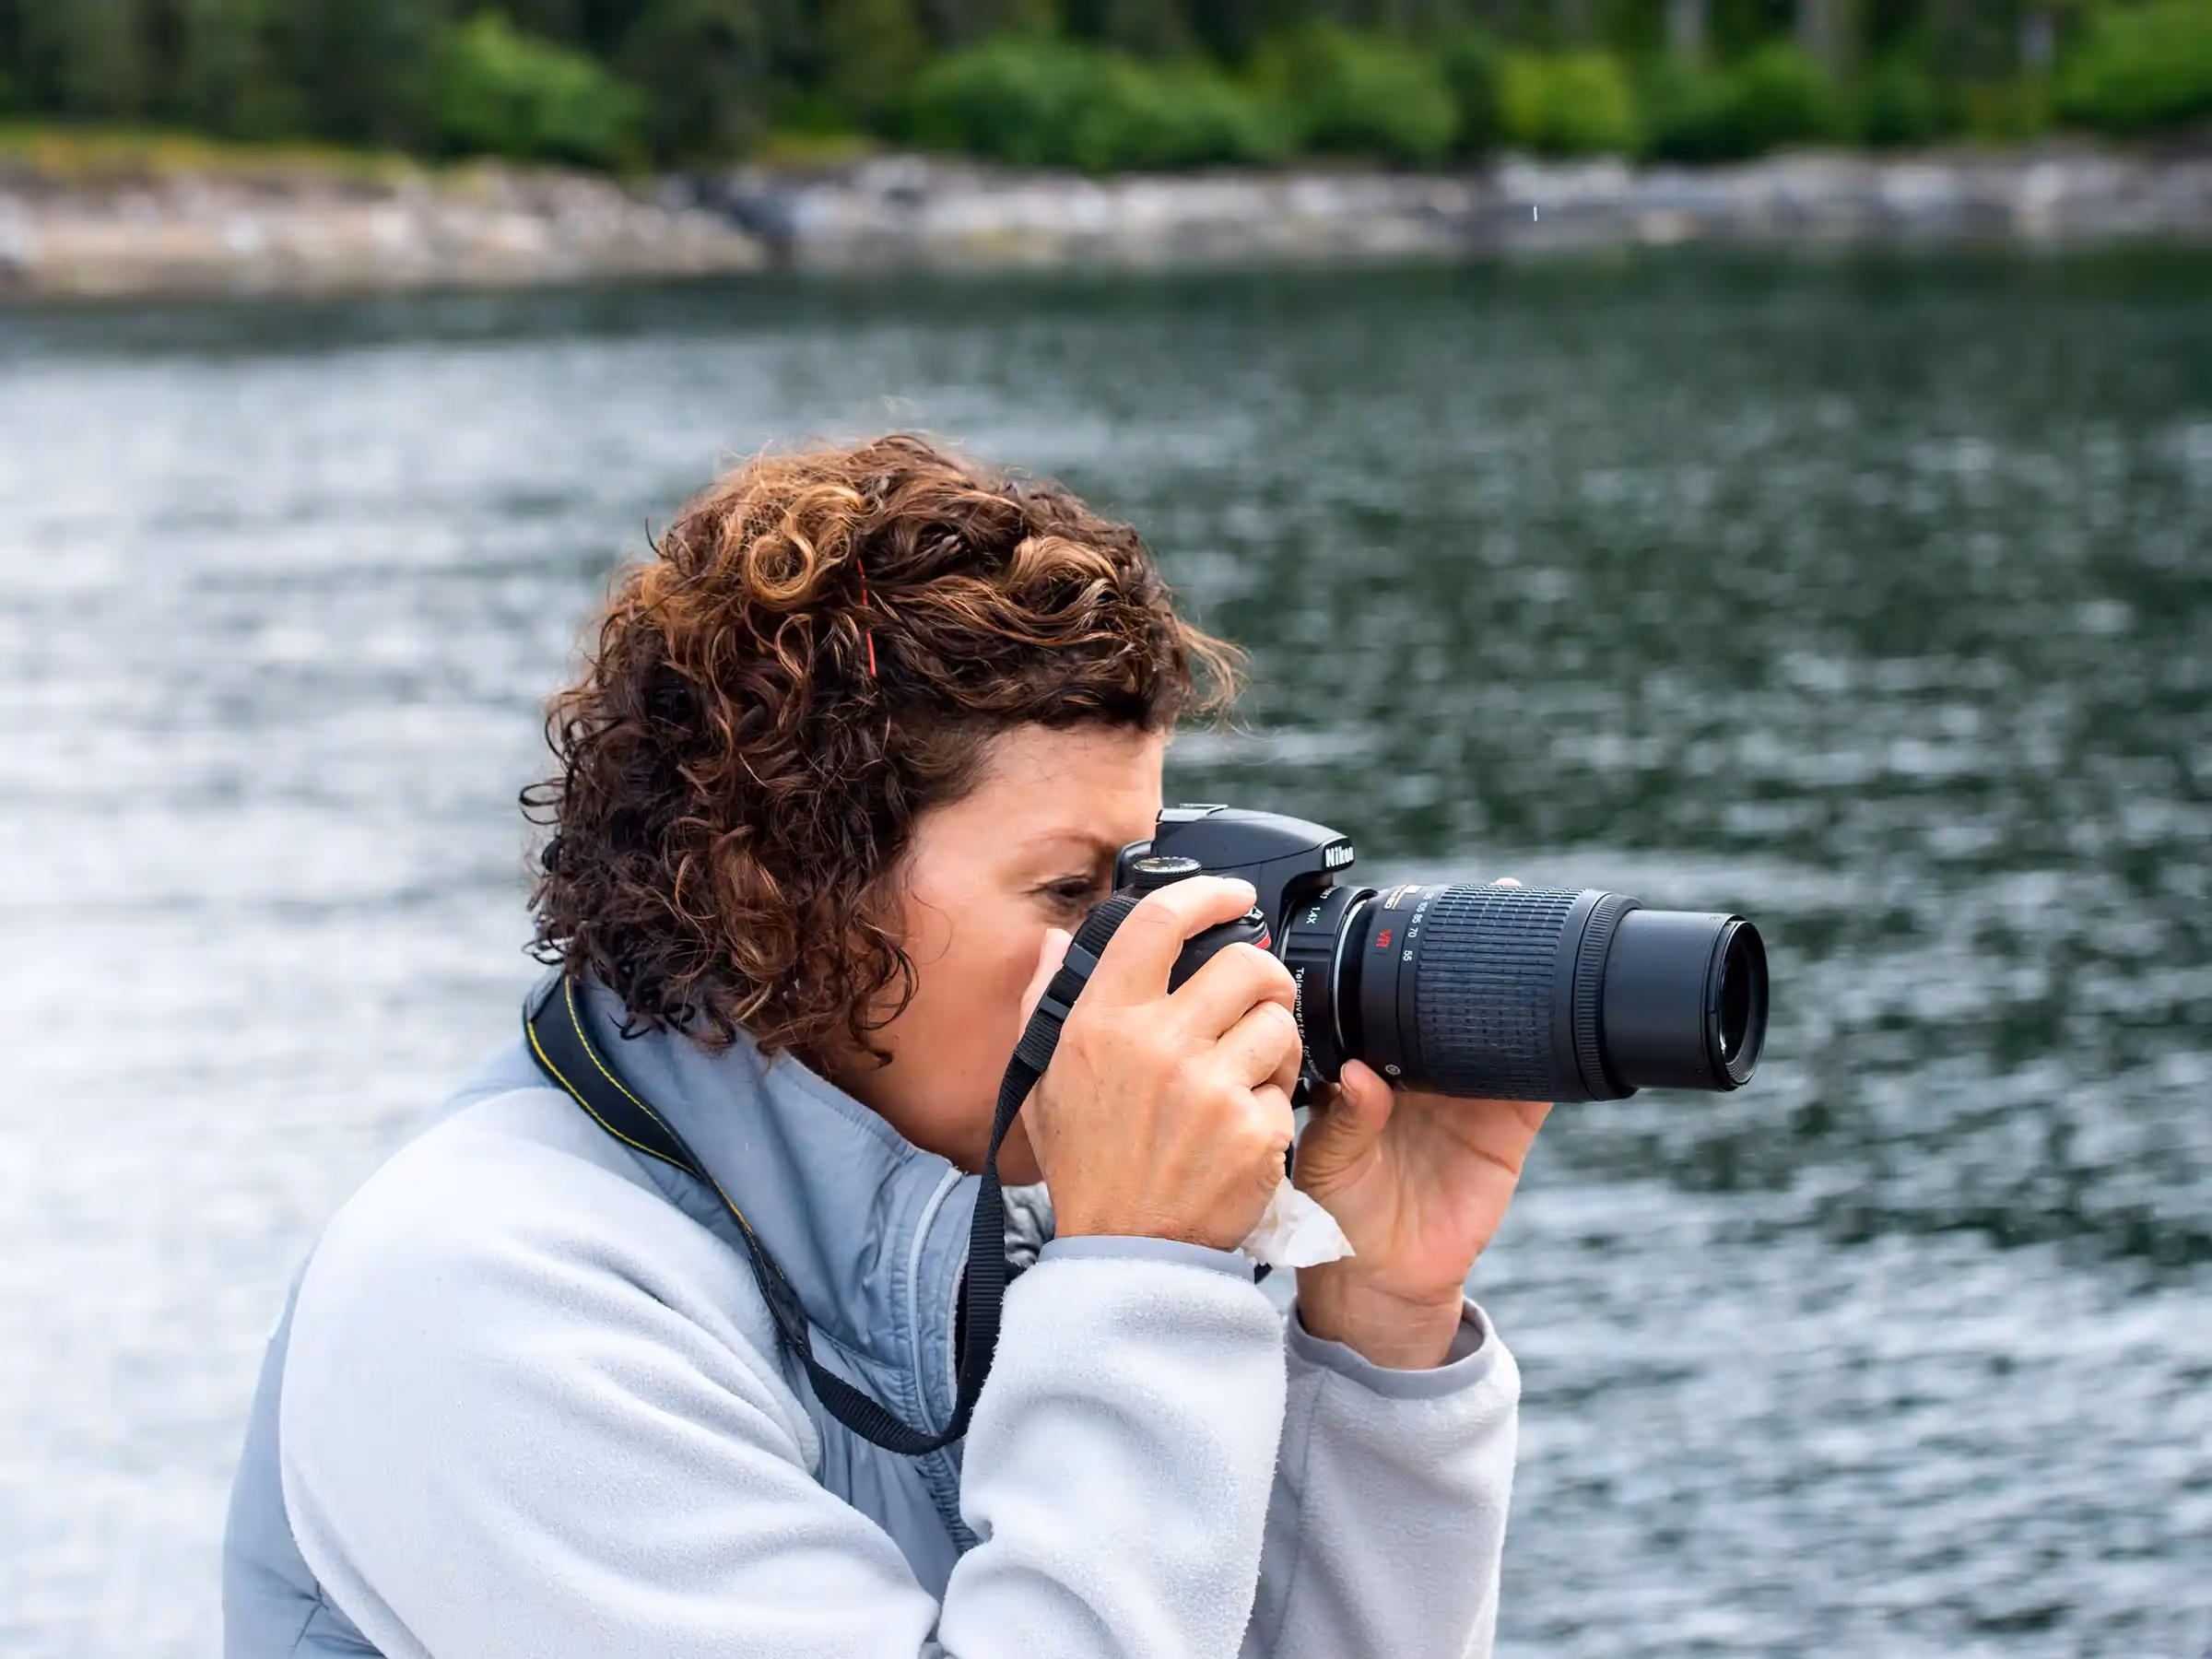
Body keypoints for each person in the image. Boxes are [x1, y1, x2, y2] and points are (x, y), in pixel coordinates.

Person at [221, 434, 1549, 1659]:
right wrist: (1143, 1283)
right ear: (779, 891)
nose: (1152, 951)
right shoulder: (493, 1302)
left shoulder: (975, 1238)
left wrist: (1374, 1334)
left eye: (1149, 874)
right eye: (1073, 894)